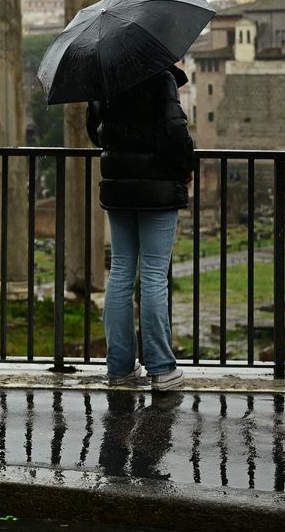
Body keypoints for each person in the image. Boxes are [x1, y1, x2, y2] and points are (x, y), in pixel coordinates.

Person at [87, 66, 193, 391]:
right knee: (153, 275)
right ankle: (161, 369)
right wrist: (186, 166)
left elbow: (94, 130)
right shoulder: (160, 77)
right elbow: (175, 130)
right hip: (157, 188)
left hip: (118, 187)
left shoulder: (107, 77)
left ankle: (119, 368)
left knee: (120, 272)